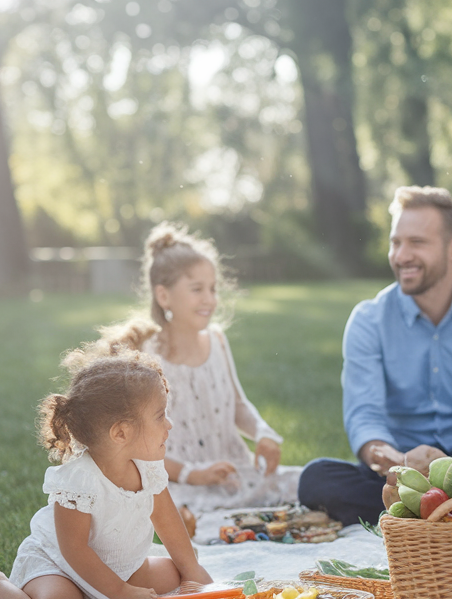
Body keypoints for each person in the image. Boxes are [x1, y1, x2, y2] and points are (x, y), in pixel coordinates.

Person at [298, 186, 452, 526]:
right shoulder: (369, 320)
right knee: (316, 479)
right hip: (400, 470)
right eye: (395, 242)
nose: (401, 255)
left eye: (416, 243)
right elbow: (364, 418)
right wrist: (397, 460)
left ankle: (430, 512)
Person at [0, 349, 213, 599]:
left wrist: (192, 571)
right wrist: (123, 594)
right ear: (120, 433)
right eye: (160, 416)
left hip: (121, 567)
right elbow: (74, 550)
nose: (169, 425)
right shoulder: (79, 480)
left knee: (178, 571)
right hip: (62, 566)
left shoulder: (148, 467)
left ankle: (102, 592)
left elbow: (167, 520)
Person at [98, 222, 301, 523]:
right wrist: (194, 474)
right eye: (197, 290)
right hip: (179, 482)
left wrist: (263, 433)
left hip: (234, 472)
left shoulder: (217, 340)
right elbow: (136, 446)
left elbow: (238, 406)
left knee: (308, 483)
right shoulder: (147, 357)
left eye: (213, 289)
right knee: (194, 522)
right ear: (164, 296)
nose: (209, 299)